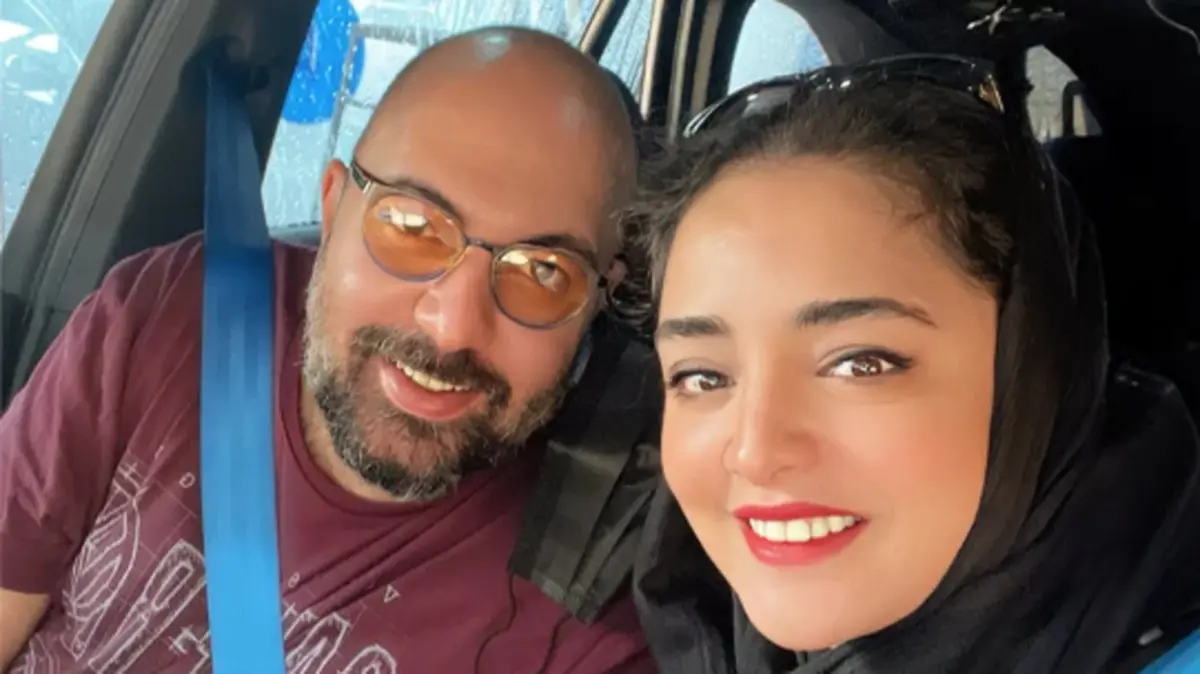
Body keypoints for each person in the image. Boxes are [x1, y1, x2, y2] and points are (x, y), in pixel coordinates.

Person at [0, 27, 659, 673]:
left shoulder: (591, 617)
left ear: (599, 299)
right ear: (334, 205)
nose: (451, 328)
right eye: (411, 225)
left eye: (543, 272)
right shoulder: (172, 313)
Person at [629, 55, 1200, 673]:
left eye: (861, 364)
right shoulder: (701, 626)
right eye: (703, 377)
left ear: (1035, 374)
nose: (755, 451)